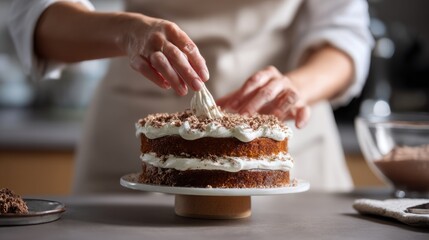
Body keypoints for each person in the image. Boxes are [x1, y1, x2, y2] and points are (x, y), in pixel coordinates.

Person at [9, 0, 373, 193]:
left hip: (287, 146)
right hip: (133, 154)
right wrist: (127, 32)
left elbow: (345, 33)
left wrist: (299, 86)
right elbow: (36, 18)